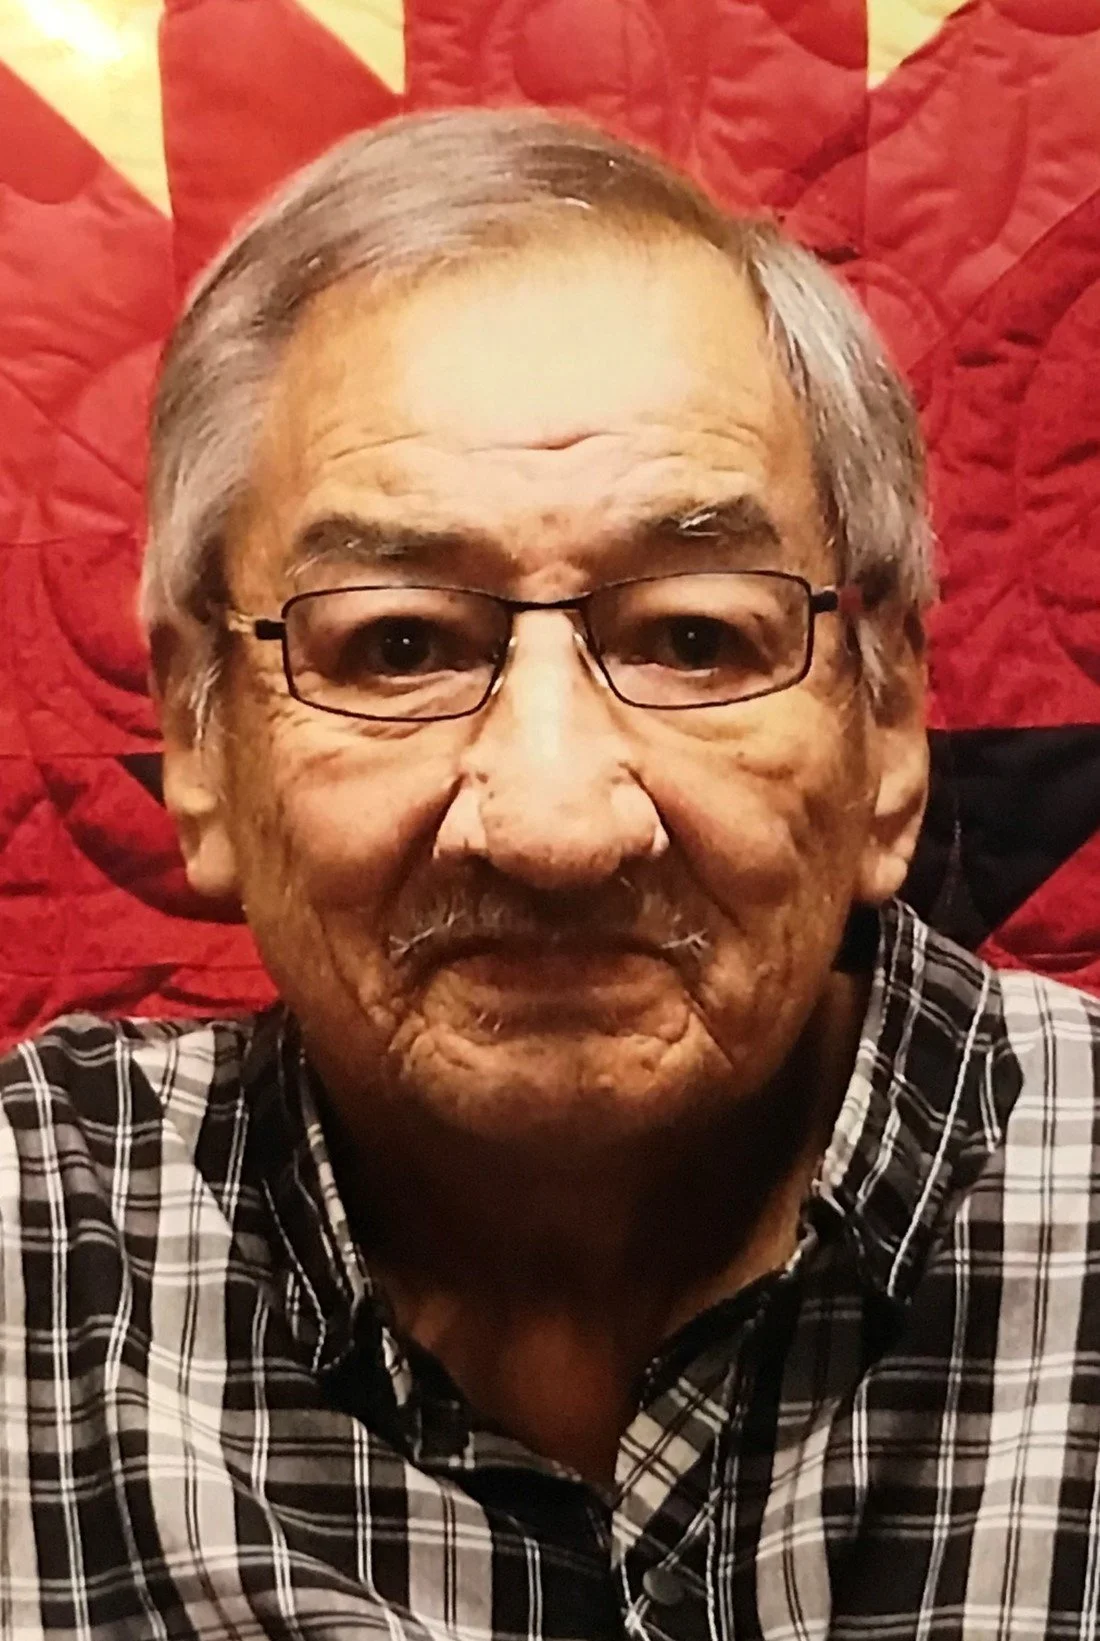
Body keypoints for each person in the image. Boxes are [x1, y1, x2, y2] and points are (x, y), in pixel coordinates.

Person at [1, 107, 1096, 1641]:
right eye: (397, 644)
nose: (555, 825)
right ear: (197, 736)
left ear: (892, 720)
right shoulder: (37, 1256)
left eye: (695, 637)